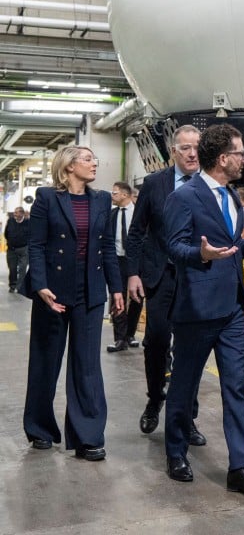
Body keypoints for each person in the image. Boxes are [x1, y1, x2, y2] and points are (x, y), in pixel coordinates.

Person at [163, 123, 244, 494]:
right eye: (240, 153)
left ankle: (240, 466)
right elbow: (174, 248)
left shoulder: (233, 197)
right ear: (222, 159)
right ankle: (176, 453)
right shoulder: (184, 198)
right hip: (197, 309)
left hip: (234, 309)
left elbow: (233, 248)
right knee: (185, 386)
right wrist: (200, 254)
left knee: (236, 388)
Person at [22, 145, 124, 460]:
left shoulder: (102, 199)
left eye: (95, 158)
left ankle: (87, 436)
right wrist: (39, 285)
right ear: (69, 166)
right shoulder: (47, 197)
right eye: (88, 159)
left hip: (90, 292)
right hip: (53, 292)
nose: (94, 163)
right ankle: (40, 428)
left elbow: (107, 247)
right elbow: (36, 245)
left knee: (87, 366)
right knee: (45, 362)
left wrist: (115, 288)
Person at [125, 125, 206, 445]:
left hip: (195, 277)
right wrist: (133, 273)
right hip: (160, 276)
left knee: (192, 347)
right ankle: (155, 398)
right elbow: (136, 232)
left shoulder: (209, 185)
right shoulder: (154, 184)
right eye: (184, 147)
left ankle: (187, 415)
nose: (191, 153)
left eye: (196, 147)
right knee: (156, 342)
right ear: (173, 151)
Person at [107, 182, 142, 352]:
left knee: (137, 298)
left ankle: (130, 334)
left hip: (136, 260)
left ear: (125, 195)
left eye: (114, 193)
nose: (112, 196)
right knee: (117, 297)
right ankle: (119, 338)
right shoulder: (112, 214)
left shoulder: (139, 213)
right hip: (117, 261)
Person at [5, 206, 30, 292]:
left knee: (23, 268)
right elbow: (6, 234)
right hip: (11, 249)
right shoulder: (10, 221)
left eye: (17, 212)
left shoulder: (28, 222)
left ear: (22, 214)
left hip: (23, 249)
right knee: (12, 268)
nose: (15, 214)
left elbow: (31, 235)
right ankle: (12, 285)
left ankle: (19, 287)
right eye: (15, 212)